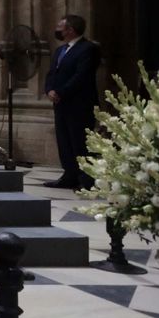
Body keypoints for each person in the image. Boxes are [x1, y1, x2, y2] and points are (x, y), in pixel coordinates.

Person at [43, 14, 100, 190]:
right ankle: (69, 175)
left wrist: (61, 92)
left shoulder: (88, 49)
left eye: (60, 27)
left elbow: (81, 76)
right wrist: (49, 89)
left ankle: (86, 179)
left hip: (79, 103)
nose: (57, 30)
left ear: (70, 30)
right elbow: (52, 73)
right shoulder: (61, 50)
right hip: (61, 103)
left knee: (80, 141)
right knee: (64, 141)